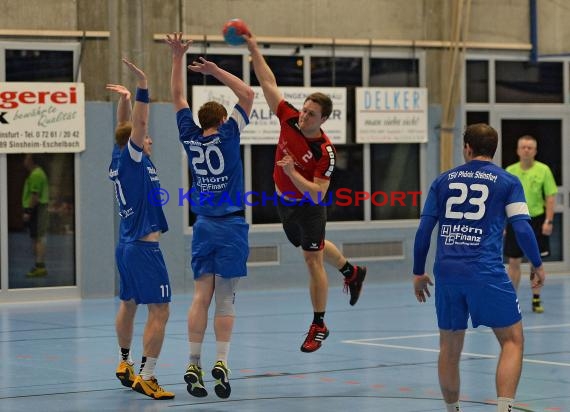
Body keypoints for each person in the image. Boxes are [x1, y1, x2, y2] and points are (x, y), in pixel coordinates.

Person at [245, 31, 367, 353]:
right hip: (284, 205)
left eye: (311, 114)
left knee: (311, 259)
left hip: (308, 206)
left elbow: (317, 195)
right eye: (304, 109)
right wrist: (254, 48)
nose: (304, 115)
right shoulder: (289, 119)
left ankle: (319, 324)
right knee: (311, 246)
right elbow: (268, 83)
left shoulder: (324, 152)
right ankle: (352, 272)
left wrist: (291, 172)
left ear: (324, 119)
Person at [412, 123, 546, 412]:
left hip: (447, 272)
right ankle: (504, 408)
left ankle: (452, 409)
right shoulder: (508, 182)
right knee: (512, 341)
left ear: (467, 148)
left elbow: (424, 231)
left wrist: (417, 271)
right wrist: (536, 263)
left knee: (449, 348)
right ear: (494, 150)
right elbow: (522, 229)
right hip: (485, 270)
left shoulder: (442, 181)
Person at [166, 32, 254, 399]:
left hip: (202, 225)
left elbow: (176, 97)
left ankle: (192, 361)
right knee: (226, 299)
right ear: (222, 117)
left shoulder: (190, 137)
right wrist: (217, 69)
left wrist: (176, 59)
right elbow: (248, 94)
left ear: (201, 120)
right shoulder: (231, 133)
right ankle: (221, 360)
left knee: (200, 297)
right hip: (231, 224)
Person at [106, 58, 174, 400]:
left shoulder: (118, 157)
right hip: (144, 249)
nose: (148, 139)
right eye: (143, 137)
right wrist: (143, 85)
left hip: (126, 245)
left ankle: (124, 362)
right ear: (135, 141)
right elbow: (137, 123)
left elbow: (122, 125)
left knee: (129, 303)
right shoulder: (132, 158)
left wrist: (123, 101)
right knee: (160, 309)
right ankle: (147, 375)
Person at [504, 135, 557, 313]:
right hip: (514, 219)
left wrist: (548, 220)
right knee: (513, 261)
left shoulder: (544, 170)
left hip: (536, 220)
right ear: (518, 150)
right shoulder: (510, 170)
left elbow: (550, 197)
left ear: (535, 151)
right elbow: (502, 199)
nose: (526, 150)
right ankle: (512, 300)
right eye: (523, 147)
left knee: (536, 262)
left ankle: (536, 298)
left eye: (530, 147)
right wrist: (503, 224)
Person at [22, 154, 49, 277]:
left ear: (31, 161)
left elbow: (35, 196)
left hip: (37, 210)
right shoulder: (37, 173)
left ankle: (40, 267)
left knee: (38, 238)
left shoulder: (36, 175)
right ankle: (39, 265)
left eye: (26, 158)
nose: (24, 161)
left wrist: (28, 211)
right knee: (37, 238)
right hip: (38, 209)